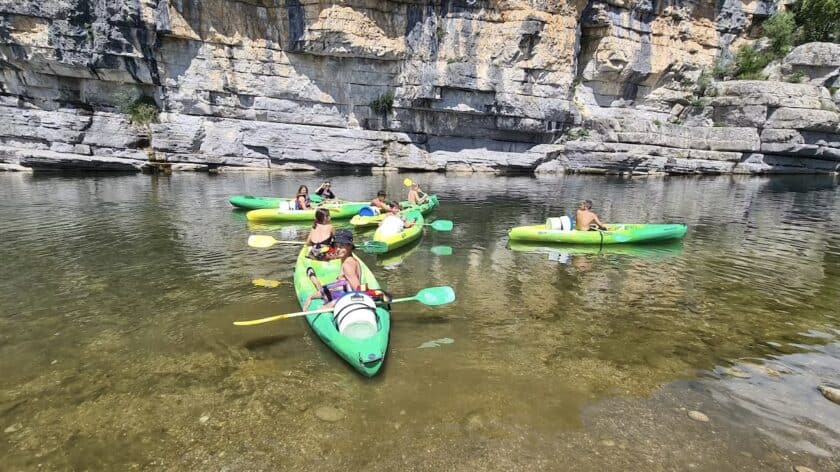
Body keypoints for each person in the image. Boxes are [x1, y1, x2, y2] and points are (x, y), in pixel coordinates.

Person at [303, 230, 362, 310]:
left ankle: (312, 275)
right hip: (338, 290)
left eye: (341, 246)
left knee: (312, 296)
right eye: (336, 245)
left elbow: (358, 291)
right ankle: (312, 276)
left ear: (349, 246)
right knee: (321, 290)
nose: (337, 249)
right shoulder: (349, 259)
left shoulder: (347, 265)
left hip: (341, 295)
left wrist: (332, 304)